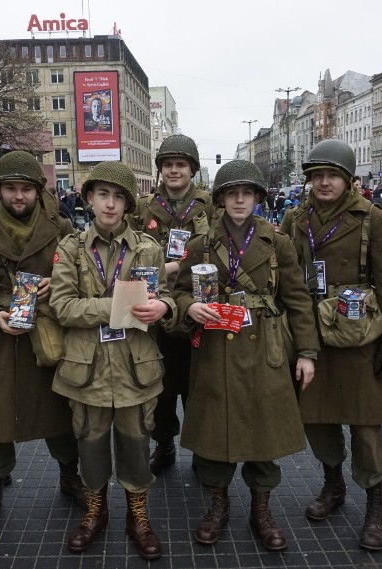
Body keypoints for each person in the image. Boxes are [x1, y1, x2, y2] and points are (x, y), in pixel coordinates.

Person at [175, 160, 318, 551]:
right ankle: (217, 505)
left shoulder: (278, 242)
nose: (239, 200)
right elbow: (178, 292)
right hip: (216, 347)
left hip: (265, 346)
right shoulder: (199, 244)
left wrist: (306, 352)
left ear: (257, 197)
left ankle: (261, 508)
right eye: (232, 193)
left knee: (264, 432)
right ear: (221, 198)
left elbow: (298, 301)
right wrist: (189, 307)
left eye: (247, 193)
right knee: (214, 432)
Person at [280, 139, 382, 551]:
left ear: (348, 179)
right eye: (317, 175)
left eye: (332, 175)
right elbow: (281, 273)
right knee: (318, 421)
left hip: (359, 336)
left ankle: (375, 506)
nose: (324, 182)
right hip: (310, 333)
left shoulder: (373, 218)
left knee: (366, 428)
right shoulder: (295, 219)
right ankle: (333, 486)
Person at [0, 151, 85, 532]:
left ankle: (69, 476)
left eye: (25, 189)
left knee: (60, 413)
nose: (19, 196)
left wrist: (56, 284)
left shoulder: (59, 225)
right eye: (10, 189)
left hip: (49, 336)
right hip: (1, 339)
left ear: (37, 190)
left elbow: (80, 272)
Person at [50, 161, 176, 560]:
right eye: (103, 194)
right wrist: (115, 306)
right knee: (89, 444)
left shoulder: (147, 249)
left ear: (127, 204)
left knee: (137, 444)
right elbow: (63, 307)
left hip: (135, 366)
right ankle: (95, 511)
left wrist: (164, 309)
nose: (110, 204)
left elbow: (166, 297)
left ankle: (137, 515)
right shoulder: (70, 249)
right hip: (86, 368)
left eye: (119, 197)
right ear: (89, 199)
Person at [128, 134, 214, 475]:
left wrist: (180, 266)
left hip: (197, 304)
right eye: (168, 165)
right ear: (160, 169)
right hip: (155, 308)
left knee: (198, 385)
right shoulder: (145, 208)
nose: (174, 171)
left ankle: (199, 448)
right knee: (158, 386)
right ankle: (163, 444)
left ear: (192, 169)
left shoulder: (210, 205)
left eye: (181, 165)